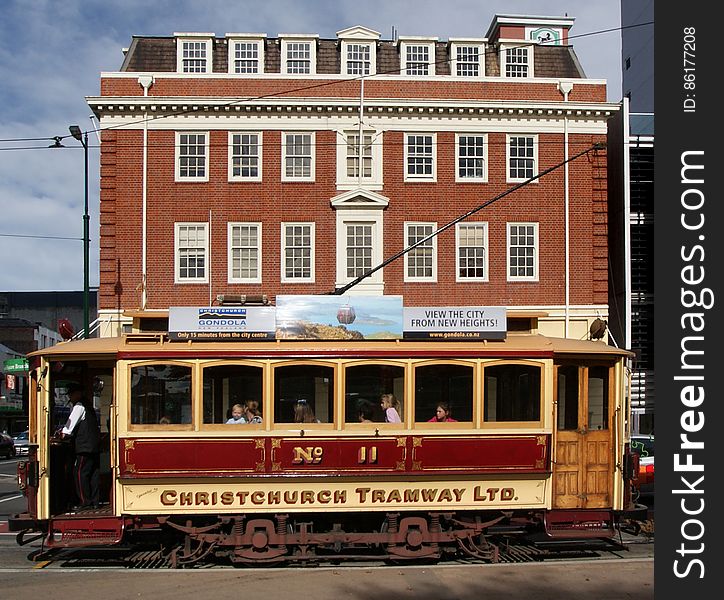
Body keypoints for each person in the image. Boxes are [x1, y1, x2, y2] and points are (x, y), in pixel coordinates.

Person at [61, 382, 101, 510]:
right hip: (94, 446)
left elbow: (68, 428)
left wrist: (62, 434)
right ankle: (95, 501)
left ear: (77, 394)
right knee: (93, 473)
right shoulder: (89, 405)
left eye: (71, 395)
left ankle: (85, 501)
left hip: (85, 447)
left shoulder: (79, 406)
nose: (70, 398)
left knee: (79, 473)